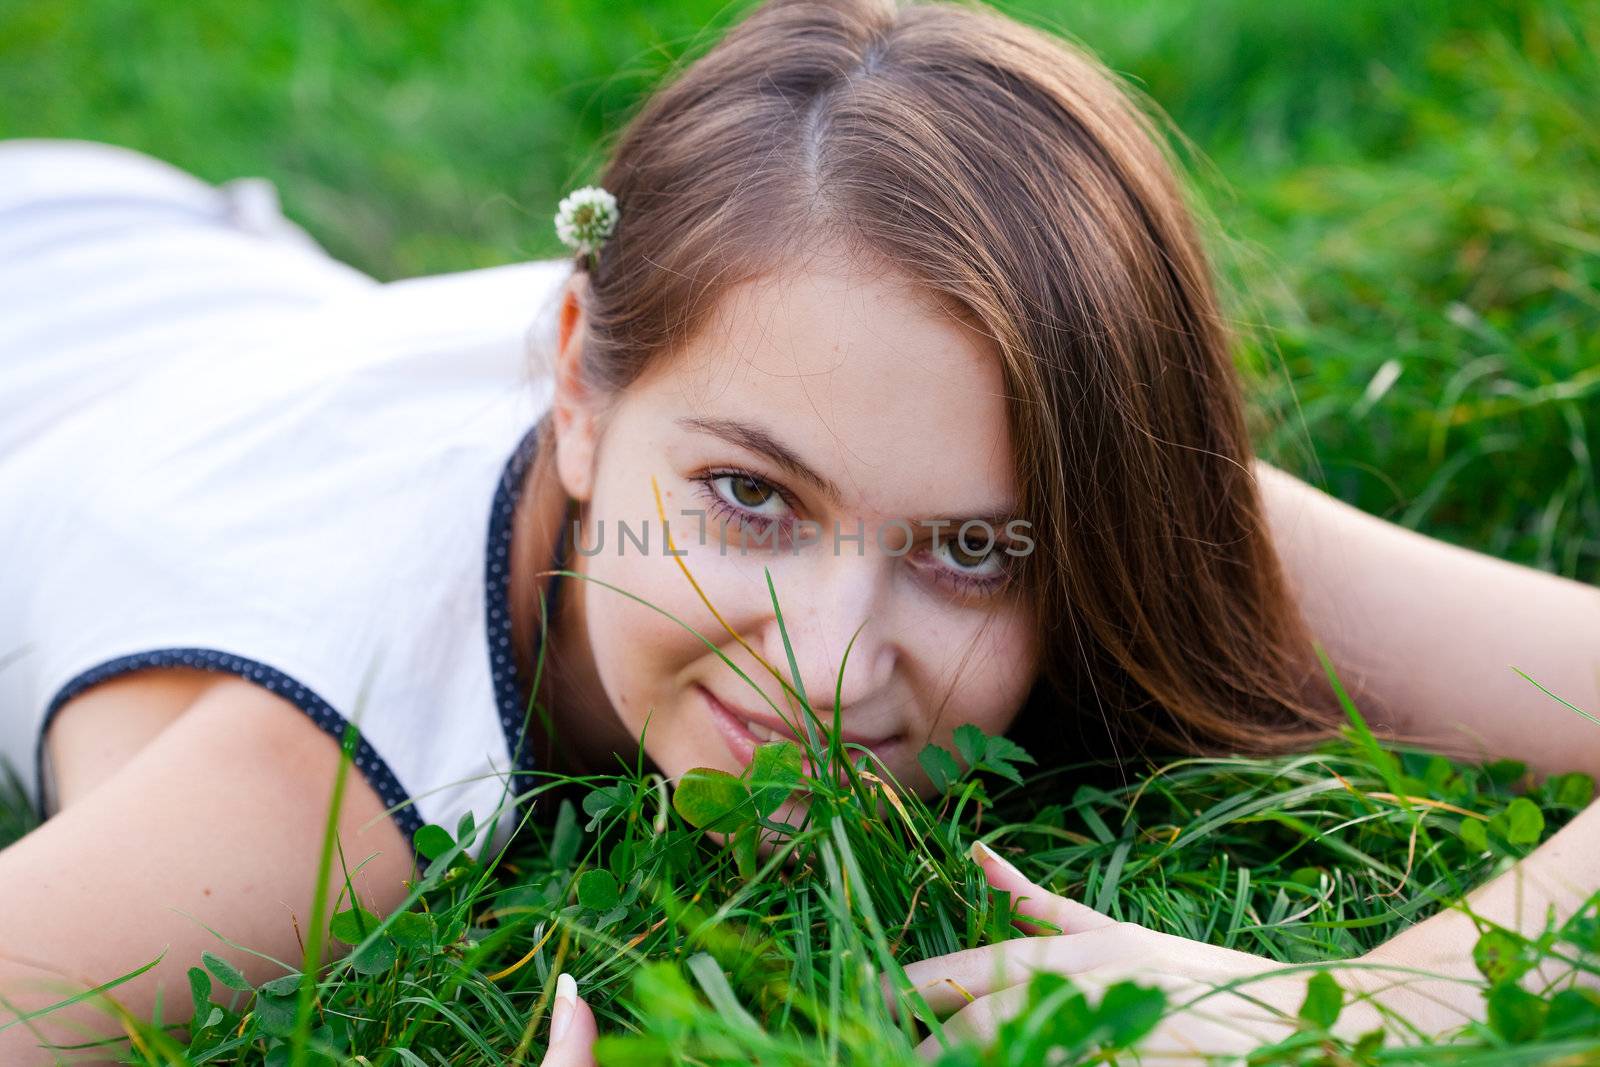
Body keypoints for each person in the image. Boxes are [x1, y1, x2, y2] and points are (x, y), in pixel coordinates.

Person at [2, 0, 1597, 1063]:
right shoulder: (309, 789)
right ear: (579, 381)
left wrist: (1371, 1002)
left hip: (188, 293)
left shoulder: (1022, 470)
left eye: (971, 549)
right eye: (753, 499)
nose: (832, 674)